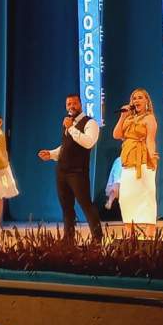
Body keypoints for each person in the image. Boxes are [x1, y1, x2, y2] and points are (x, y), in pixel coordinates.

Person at [38, 94, 104, 241]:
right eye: (69, 104)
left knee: (86, 205)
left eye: (74, 103)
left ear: (80, 104)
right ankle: (68, 239)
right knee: (66, 207)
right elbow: (66, 147)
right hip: (62, 171)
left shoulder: (90, 123)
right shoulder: (68, 123)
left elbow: (88, 142)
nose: (71, 106)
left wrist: (71, 128)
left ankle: (97, 238)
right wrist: (51, 154)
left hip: (78, 172)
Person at [112, 88, 159, 237]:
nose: (136, 100)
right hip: (128, 161)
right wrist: (122, 117)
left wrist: (152, 155)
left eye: (140, 98)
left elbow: (150, 139)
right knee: (126, 196)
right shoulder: (128, 118)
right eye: (134, 98)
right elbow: (116, 135)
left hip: (143, 160)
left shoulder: (149, 118)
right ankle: (129, 227)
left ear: (146, 101)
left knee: (147, 194)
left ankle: (150, 228)